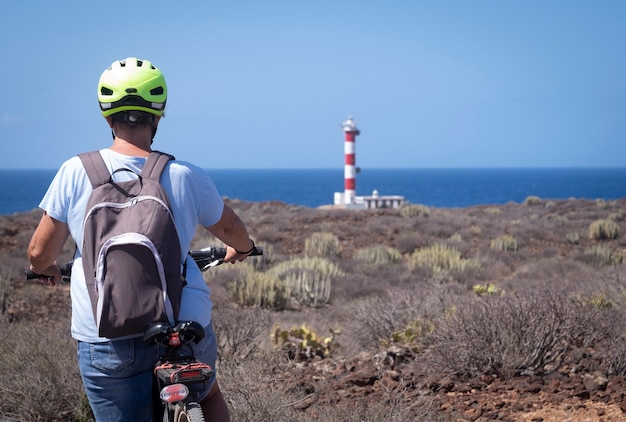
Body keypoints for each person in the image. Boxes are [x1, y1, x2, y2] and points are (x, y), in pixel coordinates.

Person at [27, 57, 254, 422]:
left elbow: (39, 251)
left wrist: (46, 268)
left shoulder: (75, 171)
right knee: (207, 395)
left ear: (106, 116)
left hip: (105, 337)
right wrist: (241, 249)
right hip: (182, 323)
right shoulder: (184, 174)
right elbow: (232, 230)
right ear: (159, 115)